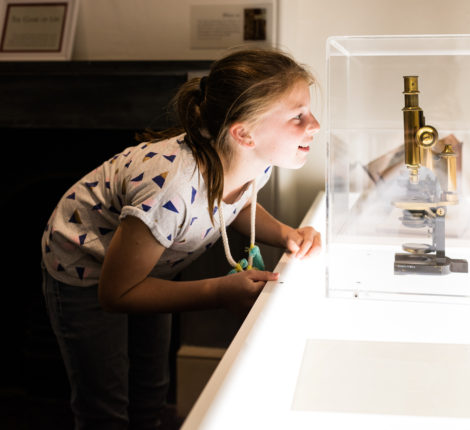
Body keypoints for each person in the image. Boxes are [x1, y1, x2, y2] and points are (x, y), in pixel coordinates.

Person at [40, 48, 321, 429]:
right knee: (105, 404)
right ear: (244, 133)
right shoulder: (173, 186)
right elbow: (116, 293)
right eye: (297, 116)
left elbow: (235, 205)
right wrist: (220, 292)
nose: (315, 125)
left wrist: (286, 233)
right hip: (85, 267)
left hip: (149, 269)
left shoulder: (253, 160)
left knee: (151, 386)